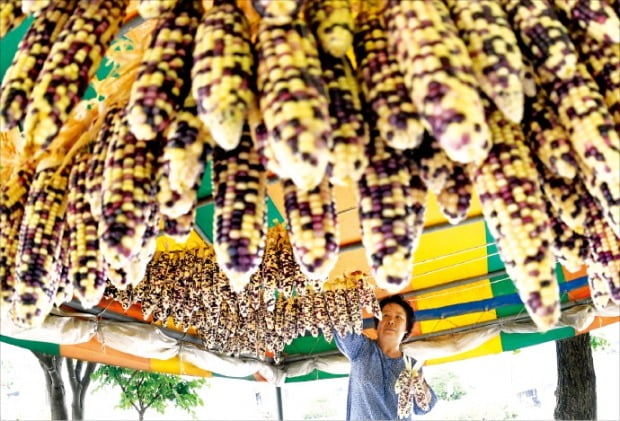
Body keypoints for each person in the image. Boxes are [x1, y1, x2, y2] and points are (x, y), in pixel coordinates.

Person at [334, 294, 437, 420]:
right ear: (377, 323)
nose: (391, 320)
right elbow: (342, 328)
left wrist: (421, 386)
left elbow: (424, 407)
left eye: (398, 317)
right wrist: (352, 295)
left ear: (406, 328)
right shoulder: (361, 349)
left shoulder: (412, 365)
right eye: (385, 315)